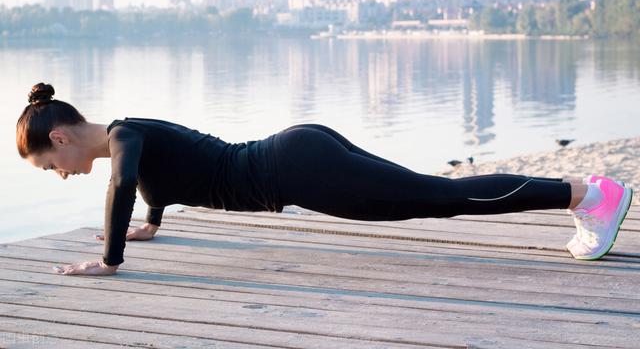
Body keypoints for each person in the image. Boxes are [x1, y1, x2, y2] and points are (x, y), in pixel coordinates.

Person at [16, 82, 634, 276]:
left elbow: (122, 185)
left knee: (440, 195)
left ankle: (589, 194)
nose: (59, 175)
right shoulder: (132, 137)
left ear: (61, 138)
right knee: (421, 202)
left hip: (295, 167)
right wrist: (153, 225)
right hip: (298, 160)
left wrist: (111, 260)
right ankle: (585, 195)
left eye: (49, 165)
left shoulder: (124, 140)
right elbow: (154, 183)